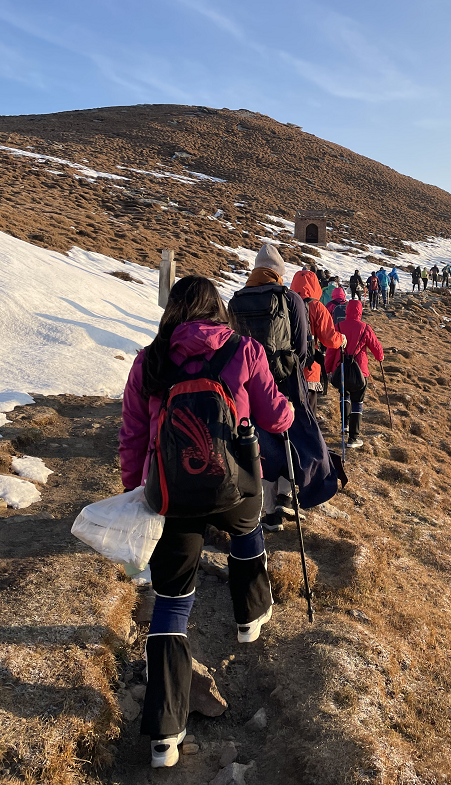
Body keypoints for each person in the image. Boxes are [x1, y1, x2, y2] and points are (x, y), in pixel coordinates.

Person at [119, 276, 293, 768]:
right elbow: (276, 418)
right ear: (218, 308)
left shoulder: (150, 360)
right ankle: (249, 617)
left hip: (171, 494)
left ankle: (164, 736)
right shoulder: (244, 350)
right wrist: (286, 409)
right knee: (248, 526)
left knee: (171, 601)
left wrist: (139, 491)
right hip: (233, 485)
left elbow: (133, 435)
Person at [229, 244, 342, 533]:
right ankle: (286, 497)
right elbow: (302, 348)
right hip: (286, 379)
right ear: (279, 272)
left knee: (260, 443)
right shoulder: (290, 298)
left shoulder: (236, 299)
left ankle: (268, 513)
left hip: (246, 383)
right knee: (292, 436)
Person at [325, 299, 384, 449]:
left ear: (346, 311)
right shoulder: (365, 328)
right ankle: (353, 438)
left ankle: (344, 426)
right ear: (360, 312)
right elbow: (376, 347)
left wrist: (327, 369)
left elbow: (330, 351)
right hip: (360, 372)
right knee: (357, 402)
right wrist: (380, 357)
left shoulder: (338, 326)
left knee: (344, 395)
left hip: (341, 368)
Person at [290, 270, 345, 415]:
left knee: (287, 417)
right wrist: (342, 339)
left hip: (284, 368)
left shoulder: (284, 302)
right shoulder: (316, 306)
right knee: (307, 416)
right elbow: (329, 338)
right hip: (308, 368)